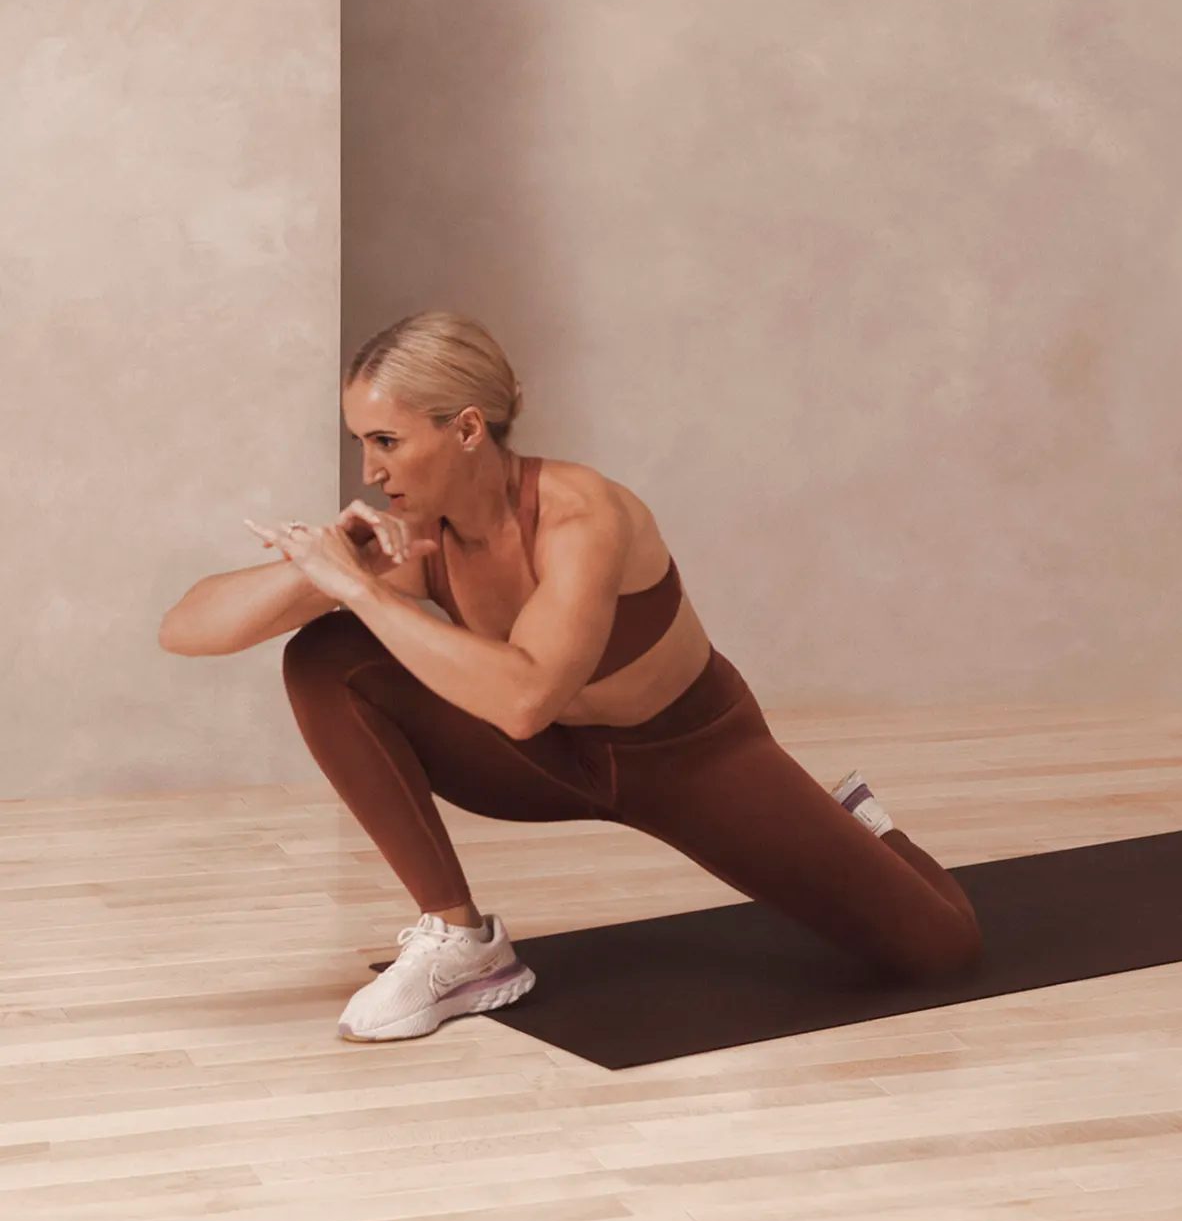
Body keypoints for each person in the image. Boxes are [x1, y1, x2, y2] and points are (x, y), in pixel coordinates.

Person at [159, 310, 984, 1043]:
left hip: (693, 759)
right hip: (551, 764)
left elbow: (524, 697)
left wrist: (357, 591)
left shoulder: (585, 516)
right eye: (361, 444)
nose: (371, 472)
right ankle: (462, 944)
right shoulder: (420, 536)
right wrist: (322, 573)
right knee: (323, 657)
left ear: (469, 429)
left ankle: (856, 827)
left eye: (387, 441)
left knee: (939, 949)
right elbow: (187, 629)